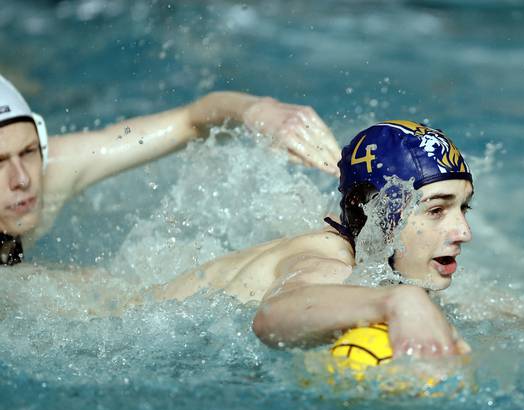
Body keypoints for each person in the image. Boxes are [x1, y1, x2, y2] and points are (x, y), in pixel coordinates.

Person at [157, 120, 474, 358]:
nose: (463, 232)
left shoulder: (366, 254)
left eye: (463, 207)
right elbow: (270, 316)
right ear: (373, 212)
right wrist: (400, 302)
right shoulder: (328, 263)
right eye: (436, 210)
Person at [0, 73, 339, 265]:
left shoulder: (52, 167)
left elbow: (190, 118)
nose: (22, 179)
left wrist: (259, 110)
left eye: (28, 151)